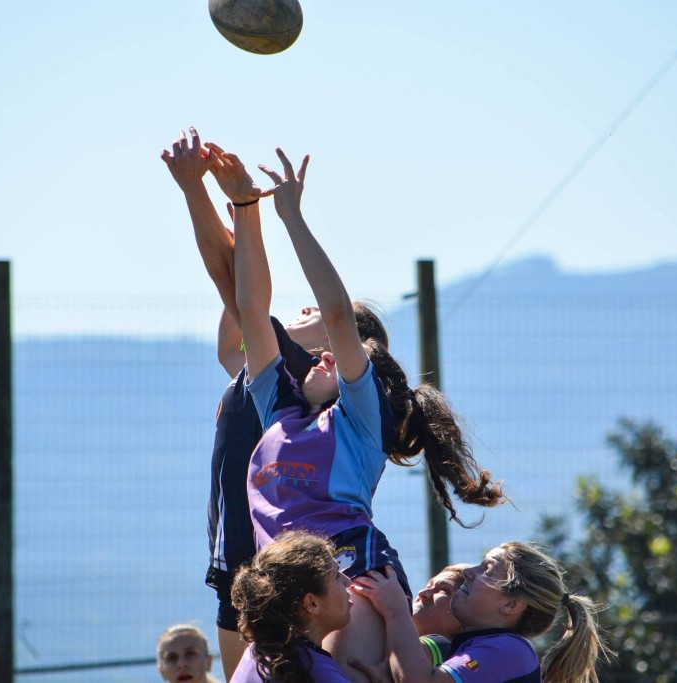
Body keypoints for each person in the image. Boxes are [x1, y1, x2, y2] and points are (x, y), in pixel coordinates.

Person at [207, 144, 506, 683]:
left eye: (337, 356)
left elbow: (341, 318)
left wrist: (290, 215)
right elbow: (253, 310)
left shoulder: (359, 423)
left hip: (351, 574)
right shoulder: (277, 407)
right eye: (320, 355)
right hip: (279, 588)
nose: (325, 355)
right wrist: (246, 209)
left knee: (358, 672)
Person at [161, 128, 389, 680]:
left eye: (320, 315)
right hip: (248, 566)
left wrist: (242, 205)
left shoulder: (309, 386)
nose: (307, 307)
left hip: (310, 577)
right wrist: (218, 197)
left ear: (340, 346)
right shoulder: (275, 394)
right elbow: (238, 288)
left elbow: (239, 285)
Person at [351, 542, 611, 683]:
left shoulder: (510, 650)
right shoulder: (468, 647)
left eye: (486, 568)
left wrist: (396, 610)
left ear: (511, 605)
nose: (468, 572)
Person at [229, 530, 356, 683]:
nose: (347, 581)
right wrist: (393, 613)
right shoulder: (317, 673)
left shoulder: (255, 655)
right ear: (312, 603)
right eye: (336, 575)